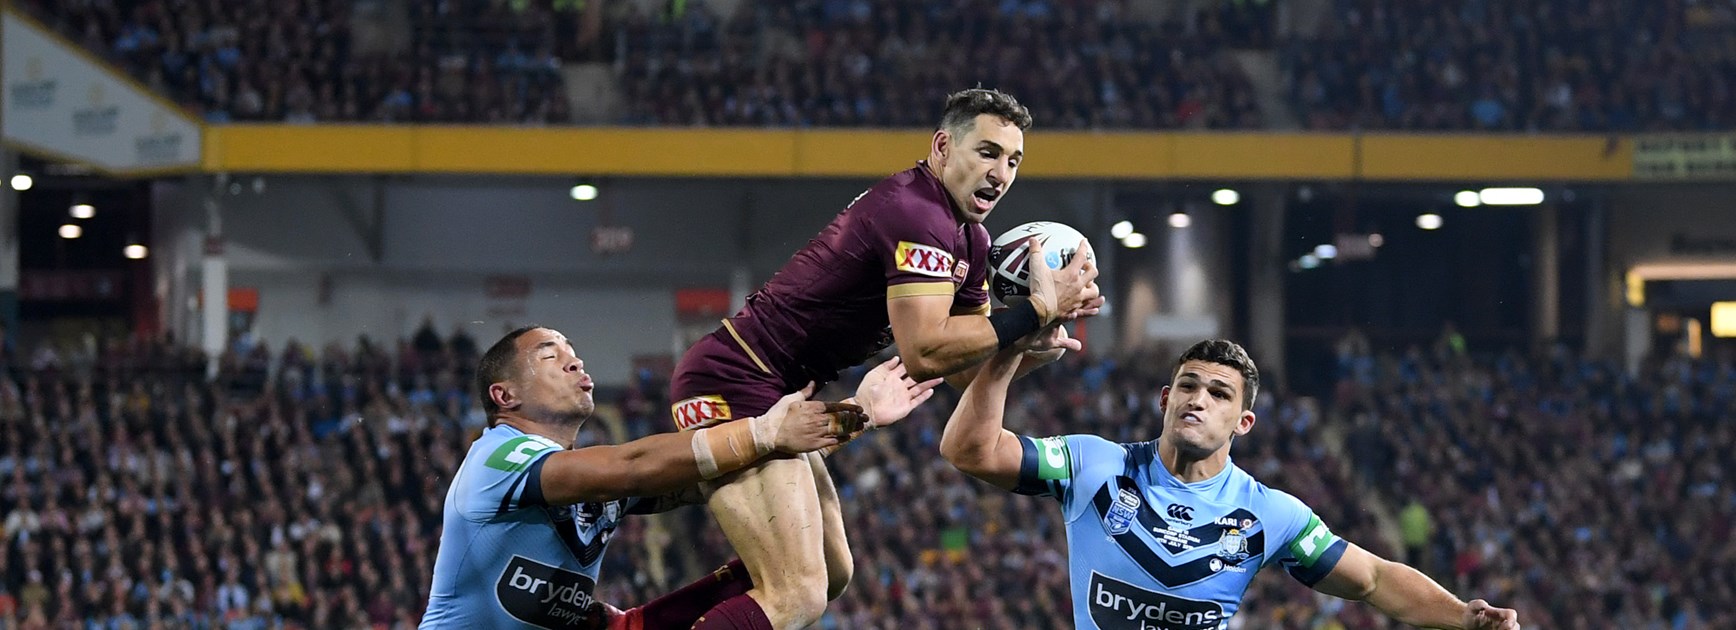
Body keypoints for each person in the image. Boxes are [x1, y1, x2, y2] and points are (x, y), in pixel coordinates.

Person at [670, 87, 1104, 629]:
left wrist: (1025, 346)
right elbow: (923, 352)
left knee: (832, 573)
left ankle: (642, 622)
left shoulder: (971, 240)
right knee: (798, 593)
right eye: (988, 152)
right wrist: (1036, 309)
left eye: (1013, 161)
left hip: (773, 390)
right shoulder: (916, 212)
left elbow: (962, 370)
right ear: (943, 147)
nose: (1000, 173)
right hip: (733, 379)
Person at [940, 335, 1523, 630]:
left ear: (1243, 422)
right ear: (1165, 399)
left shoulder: (1270, 514)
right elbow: (969, 450)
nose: (1198, 399)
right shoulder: (1094, 465)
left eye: (1219, 393)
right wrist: (1008, 355)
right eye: (1188, 386)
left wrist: (1461, 616)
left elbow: (1372, 578)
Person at [419, 326, 938, 628]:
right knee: (795, 590)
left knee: (811, 568)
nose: (575, 362)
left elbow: (722, 472)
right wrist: (761, 430)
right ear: (504, 396)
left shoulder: (587, 479)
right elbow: (631, 466)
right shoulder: (495, 459)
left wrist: (856, 415)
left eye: (574, 354)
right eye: (550, 356)